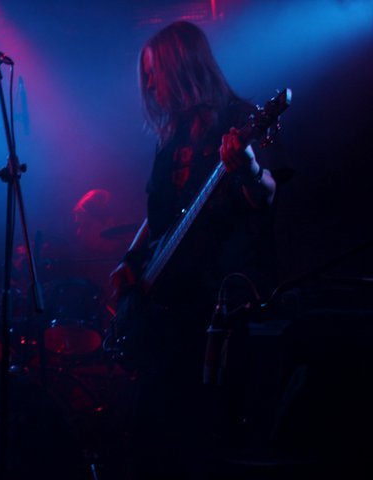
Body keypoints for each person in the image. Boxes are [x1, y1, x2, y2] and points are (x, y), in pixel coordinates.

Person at [109, 21, 283, 479]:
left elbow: (266, 193)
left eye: (154, 72)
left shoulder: (238, 119)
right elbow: (161, 216)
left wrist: (246, 165)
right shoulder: (170, 138)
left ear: (182, 67)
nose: (149, 84)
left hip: (214, 314)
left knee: (200, 443)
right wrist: (130, 260)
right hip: (164, 317)